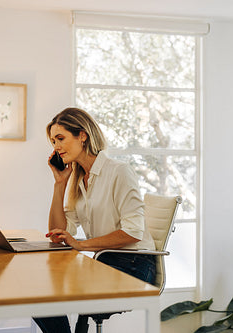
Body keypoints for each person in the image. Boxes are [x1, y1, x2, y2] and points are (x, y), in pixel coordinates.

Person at [33, 107, 156, 333]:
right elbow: (58, 233)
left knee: (49, 294)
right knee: (38, 290)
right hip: (104, 262)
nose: (56, 147)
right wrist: (59, 184)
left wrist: (81, 244)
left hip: (135, 266)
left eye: (60, 138)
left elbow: (133, 232)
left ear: (83, 135)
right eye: (53, 141)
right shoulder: (79, 178)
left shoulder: (119, 171)